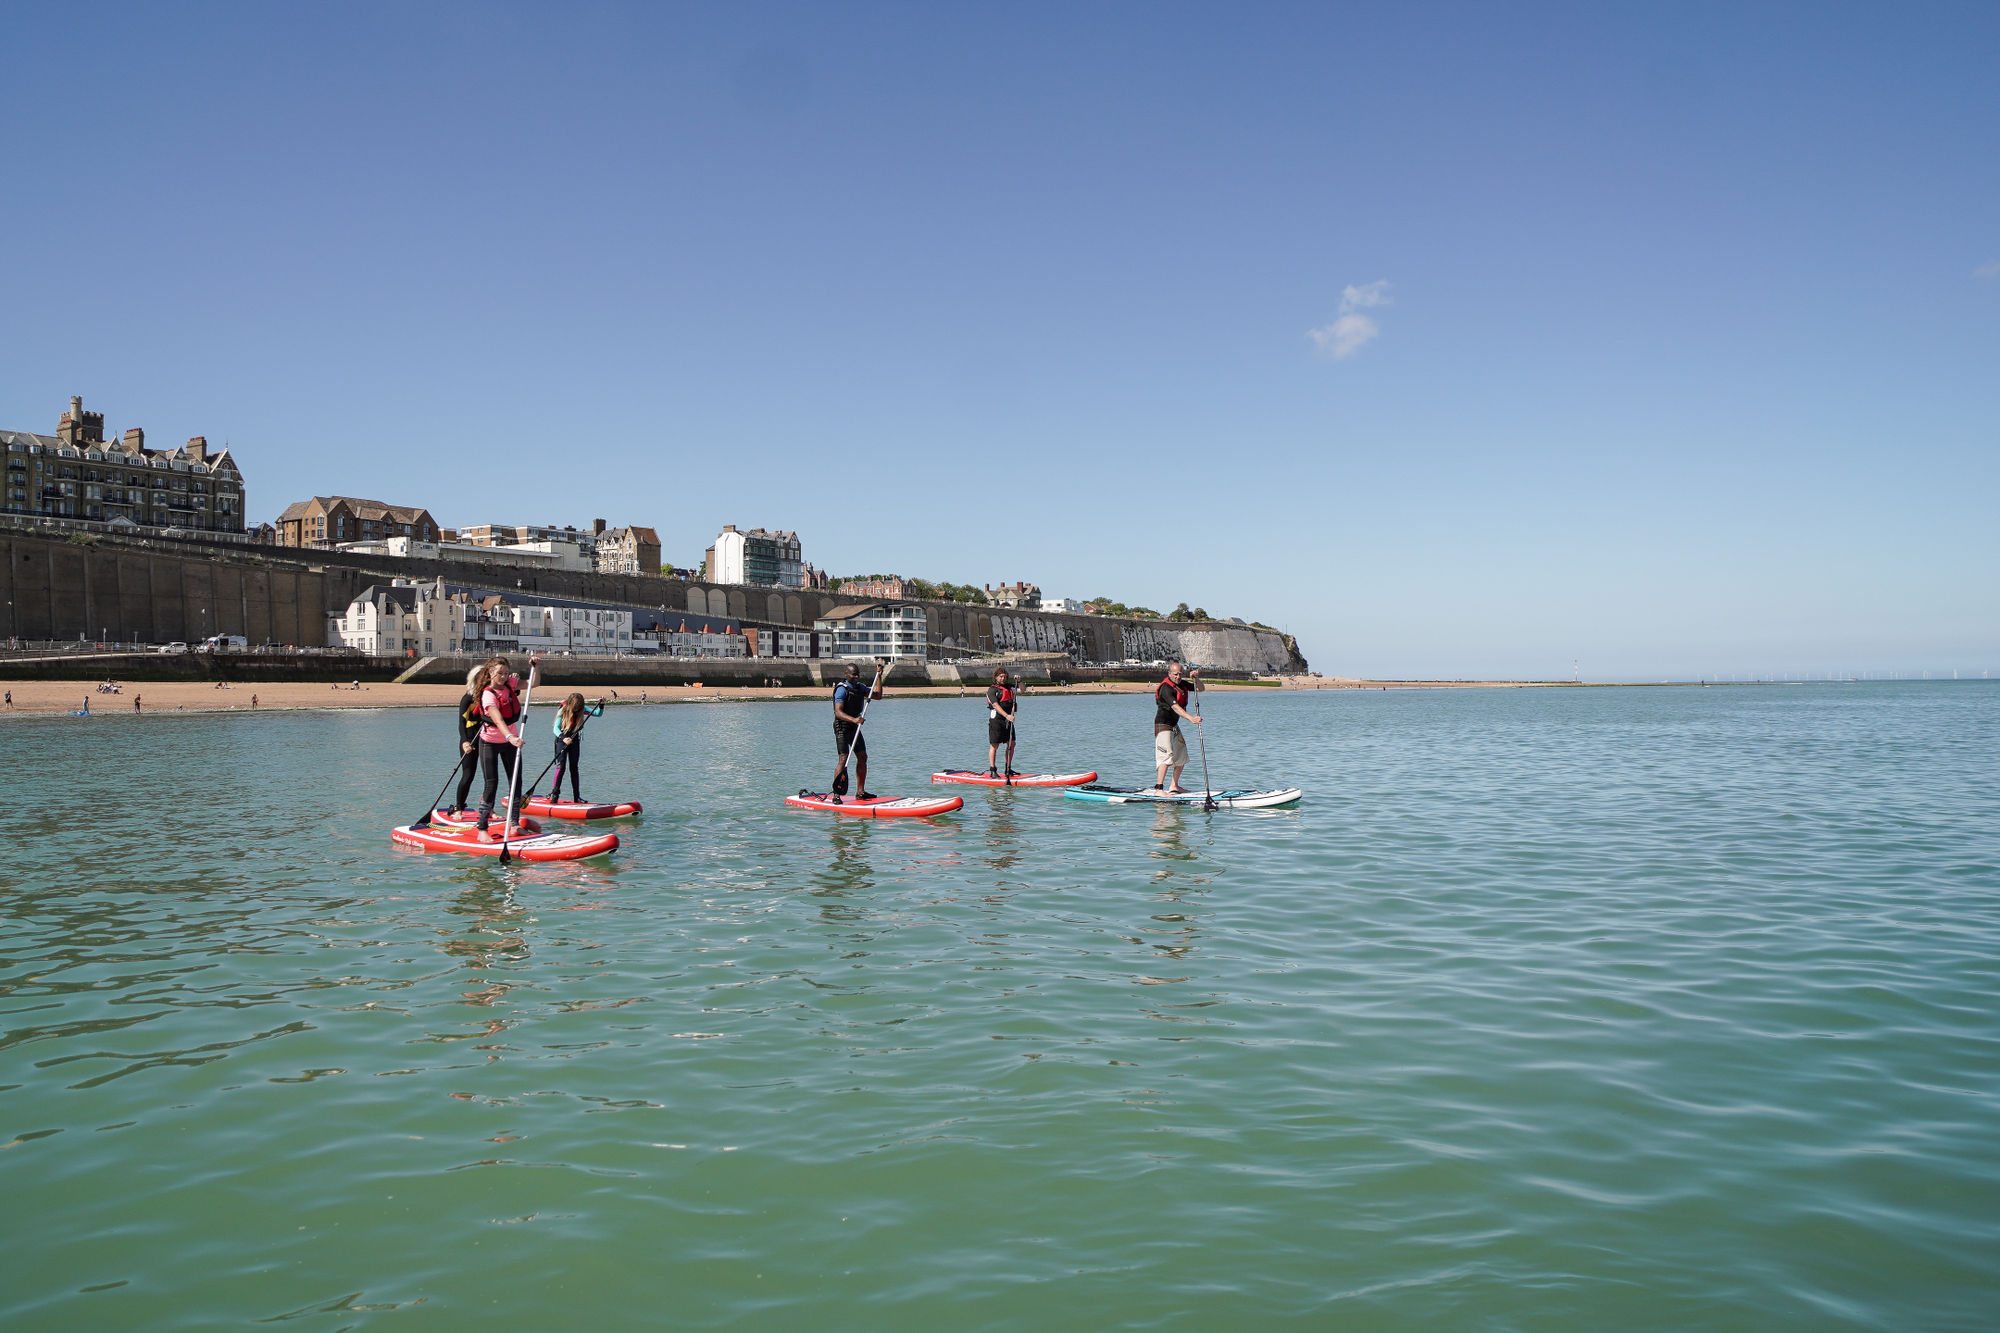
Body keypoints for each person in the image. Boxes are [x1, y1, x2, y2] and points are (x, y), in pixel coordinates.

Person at [474, 654, 540, 840]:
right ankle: (482, 829)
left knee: (515, 782)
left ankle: (514, 824)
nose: (503, 677)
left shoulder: (510, 684)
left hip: (510, 743)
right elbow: (497, 718)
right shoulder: (487, 694)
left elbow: (533, 683)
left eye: (506, 673)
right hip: (490, 742)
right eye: (499, 673)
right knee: (491, 784)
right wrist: (510, 736)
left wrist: (535, 667)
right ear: (490, 673)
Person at [831, 660, 884, 799]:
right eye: (853, 675)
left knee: (862, 757)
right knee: (843, 758)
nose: (856, 677)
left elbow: (878, 695)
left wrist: (879, 676)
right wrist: (854, 719)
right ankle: (837, 794)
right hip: (842, 726)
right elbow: (838, 712)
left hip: (855, 726)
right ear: (846, 674)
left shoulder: (860, 687)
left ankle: (860, 792)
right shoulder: (841, 689)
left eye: (858, 675)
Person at [1152, 661, 1203, 793]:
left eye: (1180, 674)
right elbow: (1175, 707)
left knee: (1181, 756)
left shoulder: (1182, 684)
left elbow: (1200, 688)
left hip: (1174, 726)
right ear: (1169, 674)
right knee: (1165, 757)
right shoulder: (1165, 688)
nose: (1178, 677)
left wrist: (1196, 678)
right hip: (1163, 726)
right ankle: (1159, 789)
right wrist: (1191, 718)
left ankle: (1174, 785)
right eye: (1175, 674)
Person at [549, 693, 606, 802]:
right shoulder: (563, 710)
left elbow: (598, 714)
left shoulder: (582, 709)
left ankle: (577, 797)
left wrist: (601, 705)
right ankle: (555, 795)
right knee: (561, 767)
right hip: (562, 740)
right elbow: (555, 728)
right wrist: (563, 737)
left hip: (574, 741)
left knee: (574, 768)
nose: (576, 710)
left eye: (578, 708)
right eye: (575, 707)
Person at [447, 663, 485, 816]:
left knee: (490, 777)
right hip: (469, 740)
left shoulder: (487, 696)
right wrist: (464, 741)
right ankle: (458, 807)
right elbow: (461, 723)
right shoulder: (467, 698)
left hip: (485, 739)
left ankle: (488, 808)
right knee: (468, 775)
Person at [986, 667, 1019, 777]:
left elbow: (1023, 689)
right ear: (996, 677)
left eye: (1004, 676)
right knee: (994, 745)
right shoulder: (992, 690)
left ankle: (1008, 769)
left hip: (1008, 720)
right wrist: (1007, 715)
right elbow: (995, 705)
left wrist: (1019, 681)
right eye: (1001, 676)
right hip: (997, 720)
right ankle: (993, 770)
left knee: (1012, 744)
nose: (1003, 678)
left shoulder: (1010, 687)